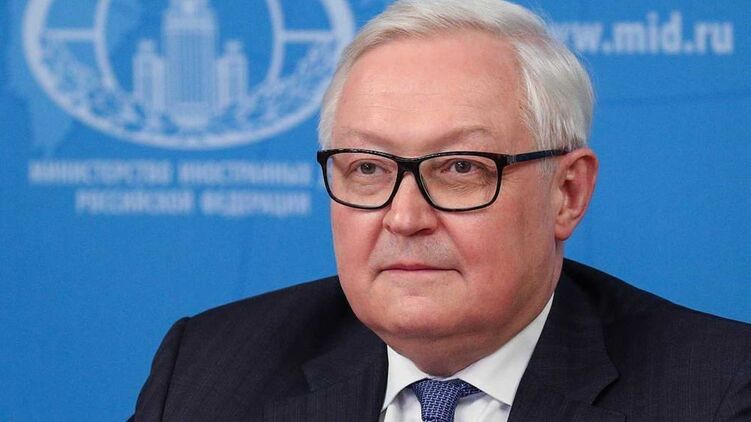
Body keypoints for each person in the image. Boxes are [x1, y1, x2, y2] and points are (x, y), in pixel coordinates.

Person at [130, 1, 751, 421]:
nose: (404, 218)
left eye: (460, 169)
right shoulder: (206, 371)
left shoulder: (718, 390)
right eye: (368, 169)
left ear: (567, 193)